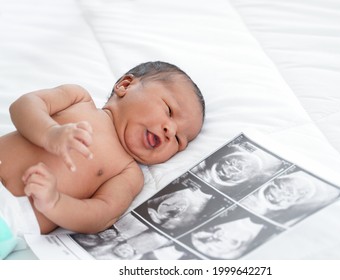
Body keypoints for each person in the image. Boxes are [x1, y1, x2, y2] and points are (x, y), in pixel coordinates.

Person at [0, 61, 205, 258]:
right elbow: (25, 105)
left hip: (12, 216)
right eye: (168, 110)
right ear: (125, 85)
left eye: (179, 140)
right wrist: (49, 133)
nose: (171, 131)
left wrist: (55, 202)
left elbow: (100, 215)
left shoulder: (128, 174)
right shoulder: (78, 99)